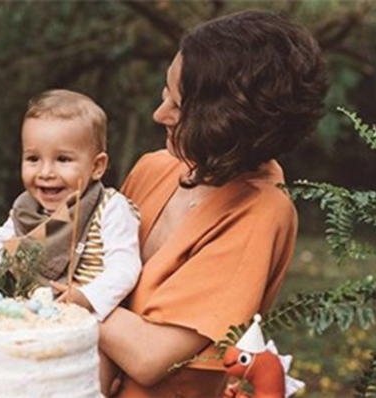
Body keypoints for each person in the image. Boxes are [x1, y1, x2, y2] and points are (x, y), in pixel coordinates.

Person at [98, 10, 329, 398]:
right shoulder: (154, 168)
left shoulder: (259, 213)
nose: (159, 114)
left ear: (225, 121)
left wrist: (54, 292)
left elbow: (150, 357)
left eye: (178, 104)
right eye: (164, 93)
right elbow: (93, 260)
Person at [0, 89, 142, 394]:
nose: (46, 173)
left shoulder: (110, 208)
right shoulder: (23, 212)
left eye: (63, 159)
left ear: (97, 166)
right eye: (33, 158)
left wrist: (87, 297)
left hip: (89, 330)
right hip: (31, 324)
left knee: (82, 378)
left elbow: (126, 266)